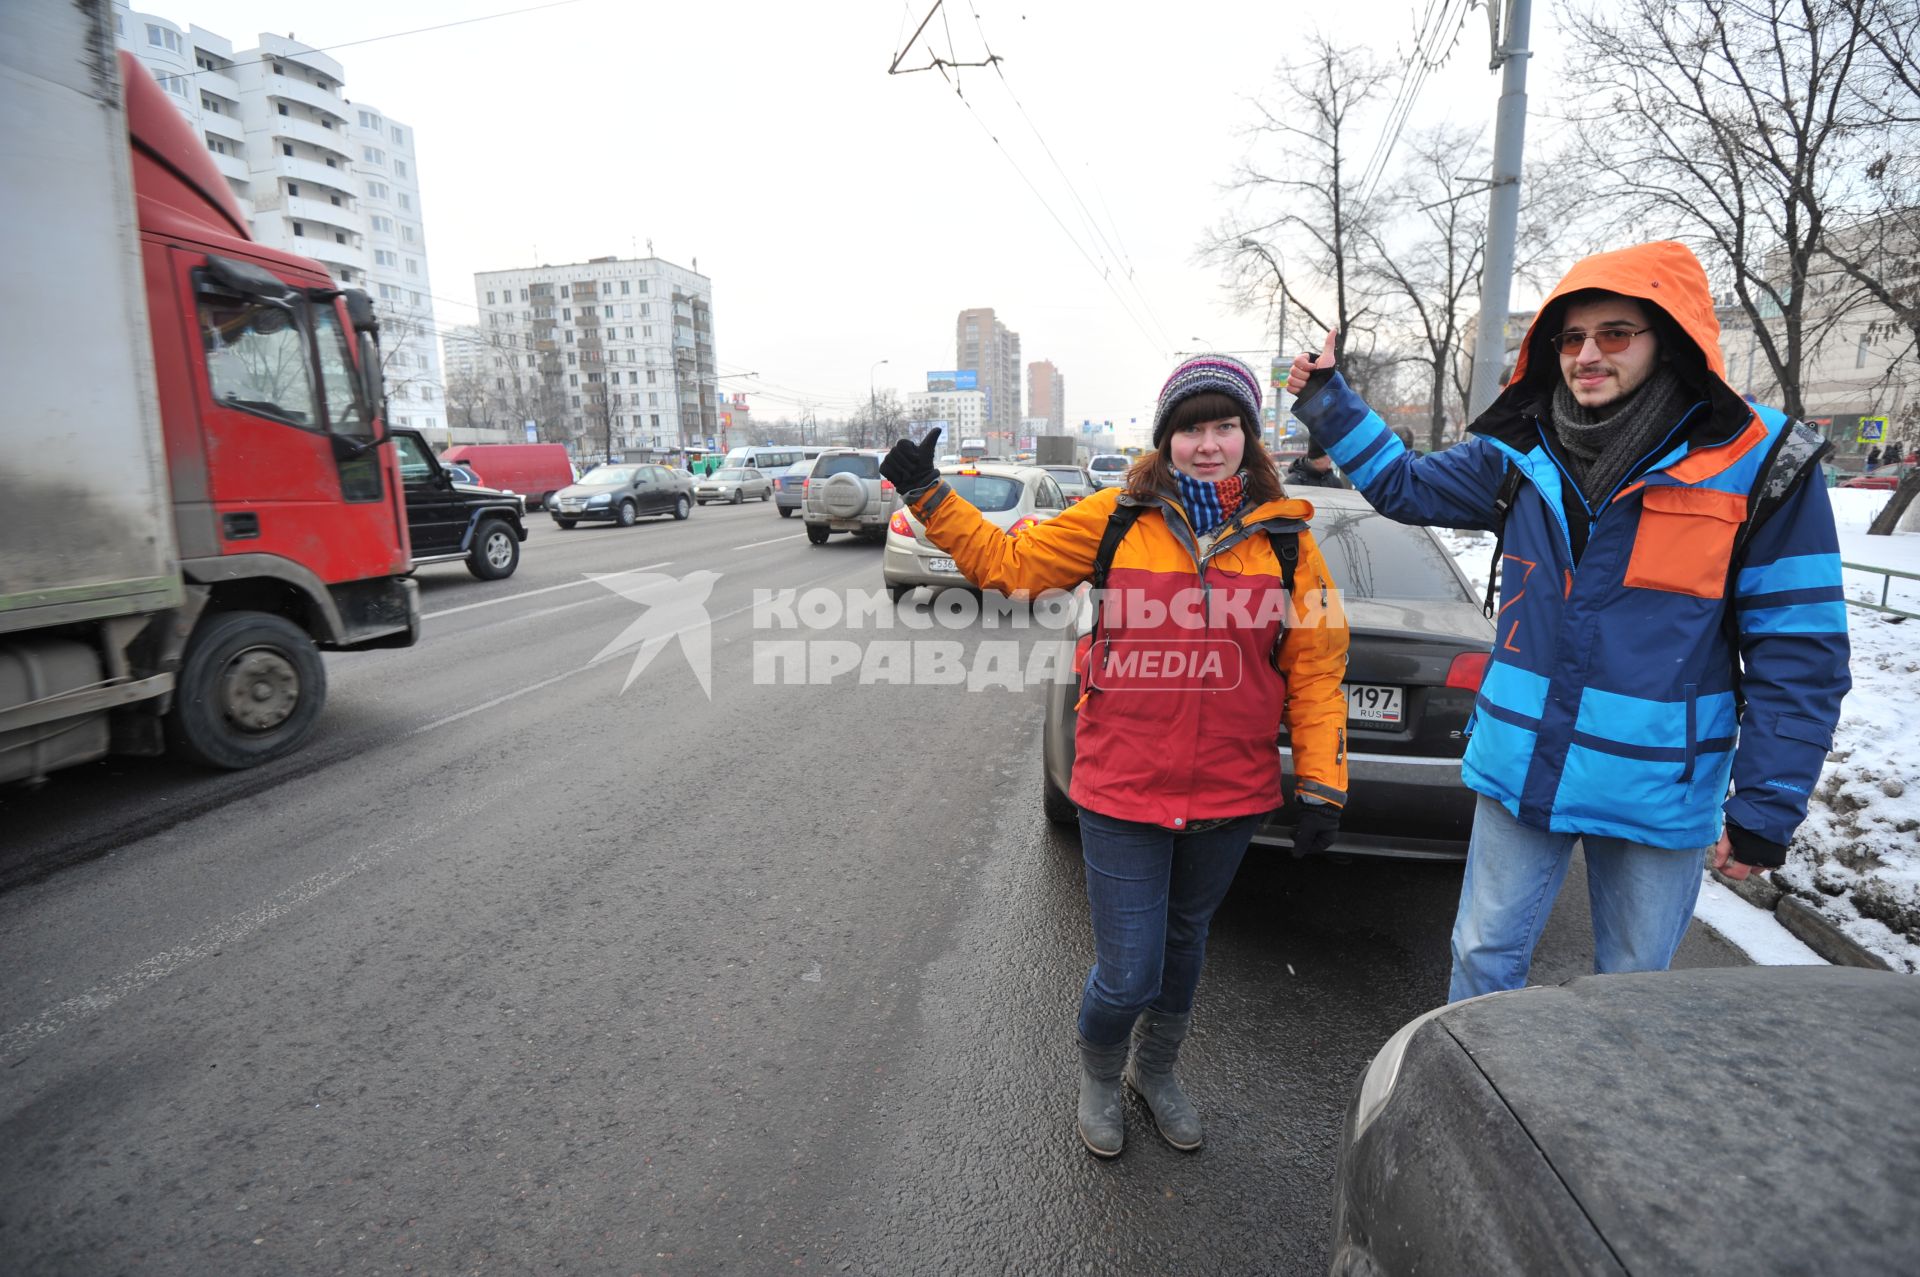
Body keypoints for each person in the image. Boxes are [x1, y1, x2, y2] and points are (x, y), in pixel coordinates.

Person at [1285, 240, 1849, 1002]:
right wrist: (1329, 398)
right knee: (1483, 956)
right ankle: (1471, 1103)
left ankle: (1600, 1122)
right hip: (1524, 765)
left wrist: (1767, 802)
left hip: (1659, 787)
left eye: (1614, 333)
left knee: (1634, 990)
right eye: (1572, 337)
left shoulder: (1760, 463)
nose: (1587, 354)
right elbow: (1405, 487)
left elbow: (1800, 648)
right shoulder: (1520, 450)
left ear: (1670, 338)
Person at [878, 354, 1351, 1158]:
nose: (1209, 444)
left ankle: (1155, 1072)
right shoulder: (1118, 517)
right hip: (1124, 786)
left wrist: (1321, 781)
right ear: (1166, 438)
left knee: (1184, 949)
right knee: (1127, 970)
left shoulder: (1286, 541)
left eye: (1225, 426)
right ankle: (1101, 1074)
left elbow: (1314, 666)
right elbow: (1013, 566)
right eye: (1192, 428)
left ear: (1250, 435)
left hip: (1229, 793)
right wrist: (928, 494)